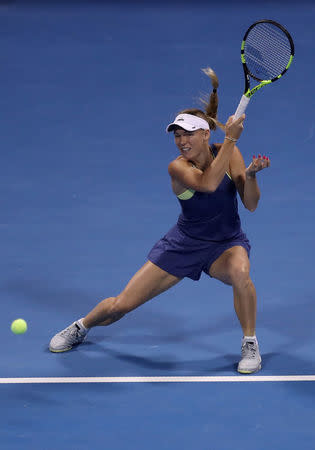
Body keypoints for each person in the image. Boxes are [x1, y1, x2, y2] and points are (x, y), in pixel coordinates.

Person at [49, 68, 270, 374]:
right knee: (120, 307)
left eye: (188, 133)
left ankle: (250, 343)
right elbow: (207, 184)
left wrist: (252, 177)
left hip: (226, 244)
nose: (181, 141)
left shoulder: (231, 154)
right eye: (177, 135)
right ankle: (81, 326)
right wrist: (230, 139)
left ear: (206, 134)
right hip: (182, 246)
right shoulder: (178, 168)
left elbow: (251, 205)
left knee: (241, 274)